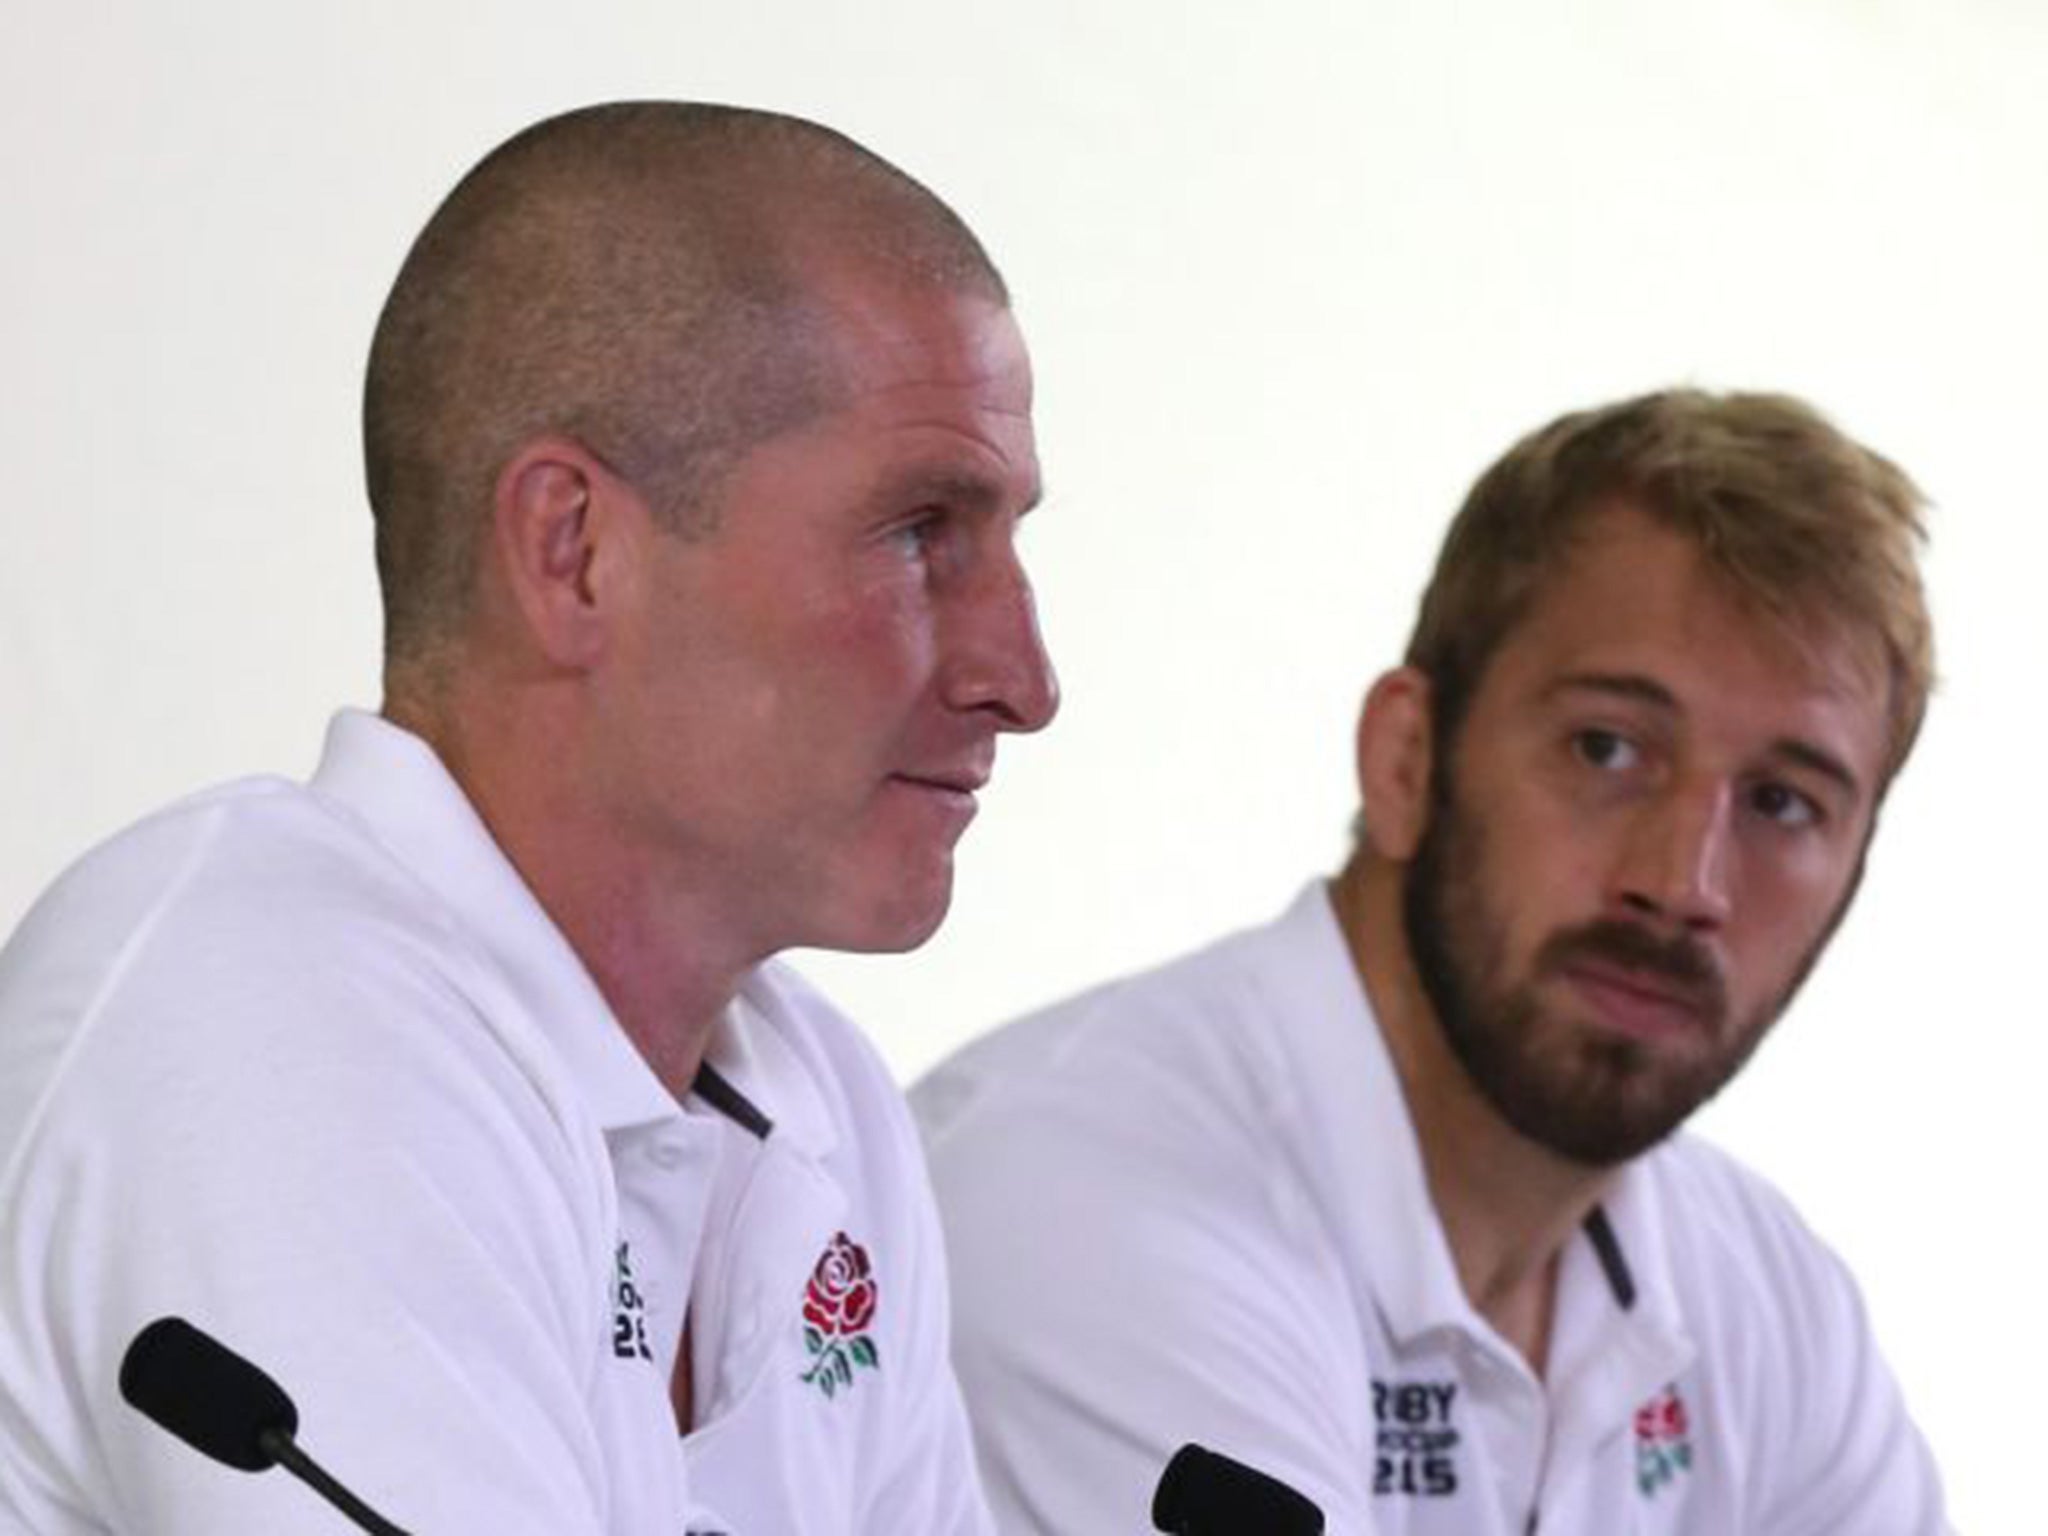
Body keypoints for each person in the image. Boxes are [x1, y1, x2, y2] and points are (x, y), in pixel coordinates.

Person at [0, 101, 1055, 1535]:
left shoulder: (826, 1109)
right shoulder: (268, 1010)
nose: (1024, 681)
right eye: (922, 534)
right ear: (575, 554)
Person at [916, 389, 1948, 1533]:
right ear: (1403, 758)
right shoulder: (1081, 1194)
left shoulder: (1765, 1298)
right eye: (1606, 748)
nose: (1684, 883)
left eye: (1780, 803)